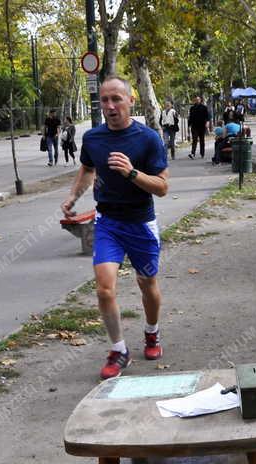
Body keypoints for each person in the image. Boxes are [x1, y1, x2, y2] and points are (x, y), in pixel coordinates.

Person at [61, 77, 170, 379]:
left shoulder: (148, 139)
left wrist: (132, 173)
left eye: (116, 99)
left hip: (140, 223)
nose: (109, 106)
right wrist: (73, 196)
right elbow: (87, 167)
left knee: (147, 284)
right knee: (104, 288)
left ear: (130, 100)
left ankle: (152, 331)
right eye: (104, 100)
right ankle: (119, 350)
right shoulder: (94, 139)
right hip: (108, 221)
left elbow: (162, 187)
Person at [187, 95, 211, 159]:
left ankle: (202, 153)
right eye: (196, 100)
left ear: (200, 100)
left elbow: (208, 116)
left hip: (202, 126)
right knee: (194, 139)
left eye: (198, 99)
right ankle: (193, 153)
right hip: (194, 126)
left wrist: (207, 123)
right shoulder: (192, 108)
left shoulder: (204, 107)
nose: (197, 101)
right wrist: (189, 126)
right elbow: (190, 117)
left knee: (202, 140)